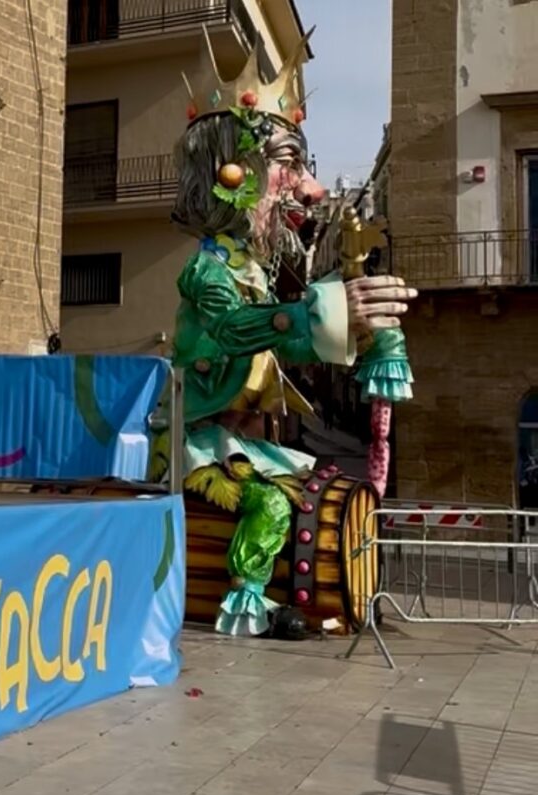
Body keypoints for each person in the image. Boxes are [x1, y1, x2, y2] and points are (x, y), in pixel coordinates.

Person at [160, 28, 416, 637]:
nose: (309, 188)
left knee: (314, 486)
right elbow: (231, 329)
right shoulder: (209, 269)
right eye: (288, 165)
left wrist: (357, 327)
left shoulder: (254, 269)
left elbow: (286, 341)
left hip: (249, 445)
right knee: (272, 503)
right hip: (198, 444)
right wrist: (321, 311)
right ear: (232, 172)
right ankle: (246, 602)